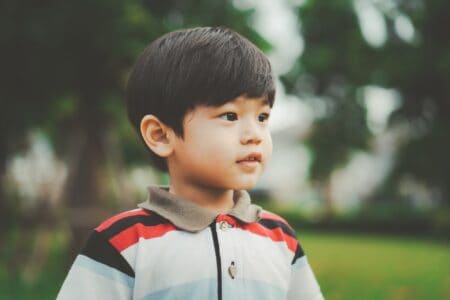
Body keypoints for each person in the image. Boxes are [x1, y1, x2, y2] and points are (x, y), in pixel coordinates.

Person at [57, 26, 324, 300]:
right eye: (230, 116)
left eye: (262, 117)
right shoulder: (123, 242)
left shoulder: (280, 238)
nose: (254, 135)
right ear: (161, 135)